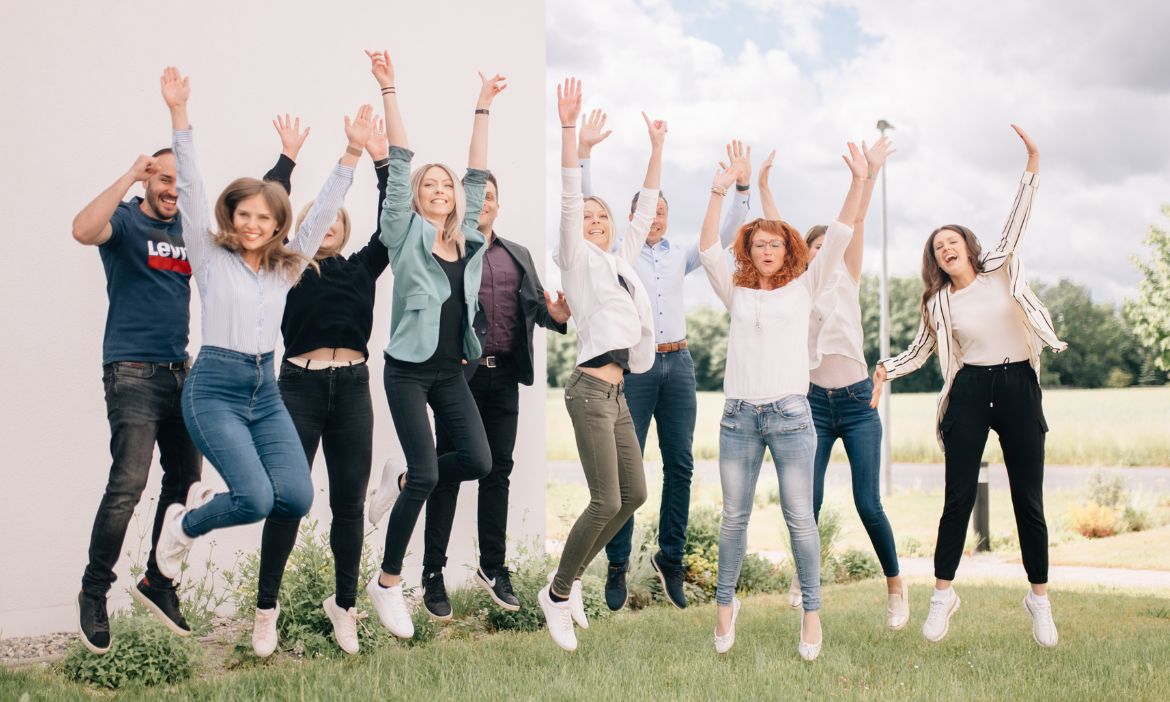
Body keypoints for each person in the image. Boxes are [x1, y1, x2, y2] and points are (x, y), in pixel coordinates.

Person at [70, 112, 307, 654]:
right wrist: (130, 175)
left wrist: (288, 159)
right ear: (150, 183)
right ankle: (94, 590)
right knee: (128, 485)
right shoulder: (130, 224)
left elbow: (261, 212)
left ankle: (160, 580)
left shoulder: (202, 238)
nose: (173, 189)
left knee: (182, 481)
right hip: (132, 369)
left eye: (179, 182)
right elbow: (83, 230)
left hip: (186, 370)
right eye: (163, 179)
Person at [151, 67, 372, 619]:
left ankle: (193, 514)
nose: (252, 224)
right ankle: (182, 526)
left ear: (277, 226)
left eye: (264, 218)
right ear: (232, 216)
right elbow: (195, 186)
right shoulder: (209, 255)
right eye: (244, 215)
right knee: (254, 499)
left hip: (264, 387)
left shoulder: (284, 267)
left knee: (295, 498)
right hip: (215, 387)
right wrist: (180, 115)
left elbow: (322, 212)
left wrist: (350, 153)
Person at [871, 125, 1063, 647]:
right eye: (938, 248)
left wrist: (1032, 161)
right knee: (957, 499)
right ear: (935, 262)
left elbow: (1016, 222)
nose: (945, 249)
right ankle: (942, 596)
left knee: (1029, 499)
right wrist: (886, 367)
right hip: (970, 393)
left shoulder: (1001, 271)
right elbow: (920, 350)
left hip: (1019, 382)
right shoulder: (938, 303)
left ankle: (1039, 600)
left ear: (969, 248)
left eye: (952, 241)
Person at [700, 144, 869, 660]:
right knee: (734, 517)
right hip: (738, 419)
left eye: (775, 244)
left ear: (787, 251)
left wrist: (859, 181)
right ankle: (725, 607)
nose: (768, 251)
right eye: (759, 244)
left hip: (792, 416)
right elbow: (708, 246)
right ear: (749, 252)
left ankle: (812, 613)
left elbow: (839, 235)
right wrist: (720, 189)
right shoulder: (737, 290)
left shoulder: (805, 286)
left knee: (801, 518)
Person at [578, 117, 750, 610]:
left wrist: (740, 186)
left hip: (679, 365)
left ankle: (670, 558)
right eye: (648, 212)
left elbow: (727, 232)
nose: (655, 220)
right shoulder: (617, 251)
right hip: (634, 371)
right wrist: (585, 156)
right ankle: (617, 562)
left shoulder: (682, 255)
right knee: (623, 471)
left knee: (680, 464)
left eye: (661, 214)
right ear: (635, 217)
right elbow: (587, 212)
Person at [359, 50, 502, 640]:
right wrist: (390, 89)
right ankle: (389, 582)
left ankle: (398, 478)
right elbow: (397, 165)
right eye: (432, 184)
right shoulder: (403, 230)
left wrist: (483, 106)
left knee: (478, 461)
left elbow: (477, 171)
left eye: (447, 185)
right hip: (408, 371)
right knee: (426, 475)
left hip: (451, 370)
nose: (442, 189)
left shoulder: (466, 238)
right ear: (418, 193)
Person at [250, 114, 395, 656]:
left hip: (353, 390)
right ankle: (266, 609)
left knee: (350, 505)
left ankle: (345, 604)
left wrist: (383, 163)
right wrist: (286, 159)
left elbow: (391, 223)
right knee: (288, 499)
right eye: (319, 215)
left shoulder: (363, 268)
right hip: (298, 390)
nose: (328, 220)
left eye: (336, 216)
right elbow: (267, 211)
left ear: (345, 228)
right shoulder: (286, 266)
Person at [758, 139, 909, 630]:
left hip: (859, 403)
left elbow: (857, 222)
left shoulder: (848, 275)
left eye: (830, 247)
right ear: (804, 255)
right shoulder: (797, 286)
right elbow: (777, 233)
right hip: (812, 407)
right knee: (809, 502)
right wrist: (762, 186)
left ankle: (895, 585)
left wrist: (868, 176)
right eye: (815, 247)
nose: (824, 252)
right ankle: (805, 583)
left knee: (869, 503)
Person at [539, 77, 663, 652]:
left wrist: (656, 151)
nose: (594, 223)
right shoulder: (577, 262)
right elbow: (570, 198)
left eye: (601, 219)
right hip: (589, 388)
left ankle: (569, 581)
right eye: (587, 220)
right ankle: (560, 592)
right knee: (605, 500)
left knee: (634, 495)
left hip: (616, 395)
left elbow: (639, 219)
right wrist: (570, 134)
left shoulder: (620, 263)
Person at [418, 171, 571, 620]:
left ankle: (493, 567)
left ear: (498, 205)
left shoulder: (518, 254)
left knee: (498, 472)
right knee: (448, 470)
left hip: (504, 377)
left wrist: (555, 314)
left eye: (490, 196)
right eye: (475, 196)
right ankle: (432, 573)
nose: (483, 202)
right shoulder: (448, 248)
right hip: (455, 378)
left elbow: (537, 309)